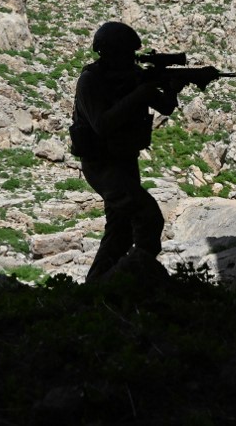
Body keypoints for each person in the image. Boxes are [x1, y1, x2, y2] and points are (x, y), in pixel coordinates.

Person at [71, 22, 181, 283]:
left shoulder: (132, 77)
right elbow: (102, 124)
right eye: (125, 54)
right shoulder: (91, 81)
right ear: (109, 53)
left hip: (124, 159)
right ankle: (138, 274)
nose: (131, 60)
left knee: (120, 230)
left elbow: (164, 107)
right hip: (101, 163)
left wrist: (171, 89)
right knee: (148, 215)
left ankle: (98, 286)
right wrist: (141, 94)